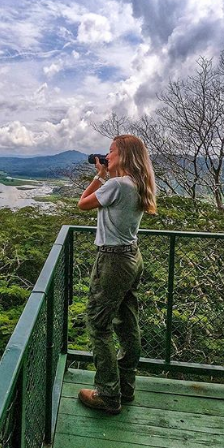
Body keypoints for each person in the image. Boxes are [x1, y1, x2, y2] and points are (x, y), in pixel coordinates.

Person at [77, 134, 156, 415]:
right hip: (132, 256)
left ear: (123, 154)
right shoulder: (137, 182)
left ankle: (108, 393)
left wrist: (100, 176)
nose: (107, 156)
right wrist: (105, 173)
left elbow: (83, 203)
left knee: (99, 325)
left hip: (112, 260)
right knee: (127, 320)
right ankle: (126, 386)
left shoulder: (117, 184)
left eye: (111, 152)